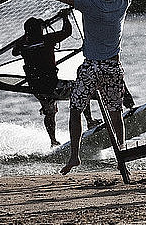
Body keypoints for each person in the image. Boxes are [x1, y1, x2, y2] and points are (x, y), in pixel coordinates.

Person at [16, 0, 134, 175]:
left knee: (75, 109)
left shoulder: (87, 3)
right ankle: (122, 154)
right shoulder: (122, 3)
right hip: (113, 67)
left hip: (91, 68)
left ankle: (74, 156)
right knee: (116, 113)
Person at [12, 10, 102, 146]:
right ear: (38, 30)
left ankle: (53, 141)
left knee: (49, 113)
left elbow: (14, 51)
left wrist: (27, 34)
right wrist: (65, 17)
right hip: (53, 86)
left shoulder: (24, 46)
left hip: (38, 90)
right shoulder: (47, 40)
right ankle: (90, 121)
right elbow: (67, 32)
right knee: (82, 89)